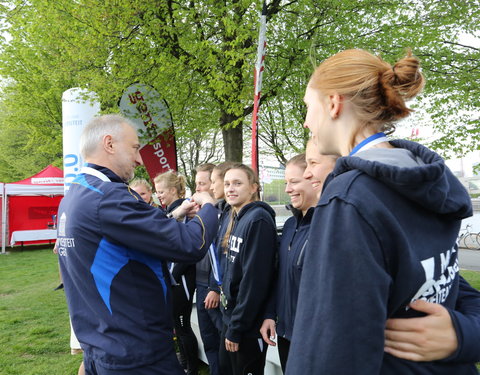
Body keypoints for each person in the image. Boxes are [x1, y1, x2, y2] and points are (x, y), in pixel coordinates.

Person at [286, 49, 478, 374]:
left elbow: (332, 353)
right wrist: (466, 334)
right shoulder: (425, 180)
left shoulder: (349, 199)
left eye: (308, 106)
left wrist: (464, 334)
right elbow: (448, 284)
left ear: (333, 103)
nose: (307, 121)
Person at [57, 114, 218, 375]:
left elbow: (120, 243)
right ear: (109, 144)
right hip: (137, 352)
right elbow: (190, 244)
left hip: (105, 344)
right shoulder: (108, 197)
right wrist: (209, 207)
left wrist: (174, 216)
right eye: (134, 148)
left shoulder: (76, 194)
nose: (139, 159)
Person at [260, 153, 318, 373]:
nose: (287, 189)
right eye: (286, 183)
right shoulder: (291, 224)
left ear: (315, 179)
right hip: (285, 333)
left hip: (312, 338)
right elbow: (280, 275)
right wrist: (269, 314)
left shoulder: (328, 226)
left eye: (294, 182)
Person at [218, 163, 277, 375]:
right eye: (227, 184)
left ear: (253, 188)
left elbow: (254, 282)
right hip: (231, 317)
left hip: (247, 326)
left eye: (237, 183)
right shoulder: (236, 217)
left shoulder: (258, 220)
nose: (230, 189)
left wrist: (237, 327)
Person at [154, 170, 199, 375]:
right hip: (172, 277)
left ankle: (192, 368)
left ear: (173, 190)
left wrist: (172, 275)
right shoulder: (171, 211)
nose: (158, 196)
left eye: (161, 191)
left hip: (182, 279)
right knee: (176, 326)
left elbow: (188, 250)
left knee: (182, 326)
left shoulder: (186, 210)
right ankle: (184, 361)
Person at [193, 163, 223, 375]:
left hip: (215, 286)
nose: (198, 189)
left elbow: (222, 254)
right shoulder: (202, 212)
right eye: (196, 184)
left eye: (202, 184)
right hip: (200, 281)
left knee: (222, 339)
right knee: (208, 339)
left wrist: (216, 287)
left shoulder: (224, 213)